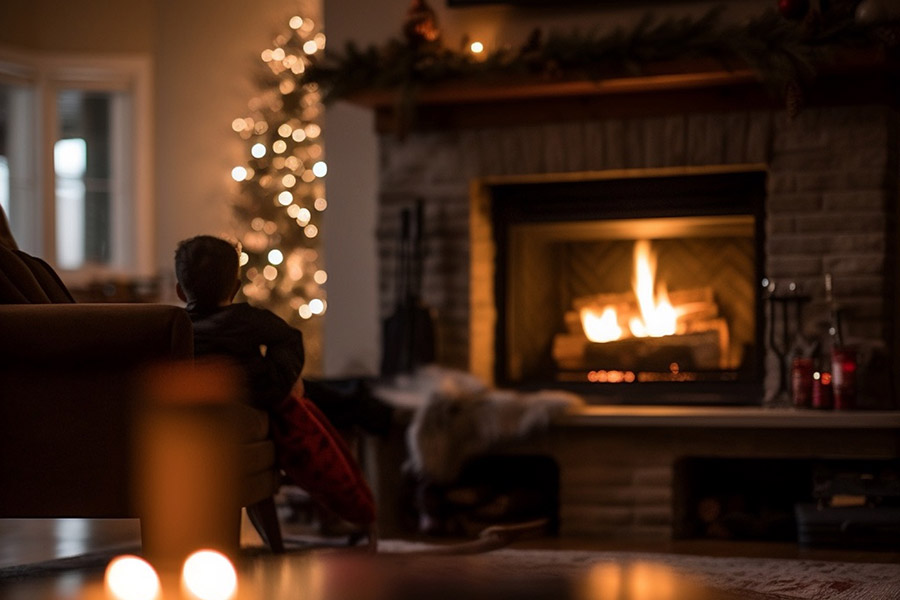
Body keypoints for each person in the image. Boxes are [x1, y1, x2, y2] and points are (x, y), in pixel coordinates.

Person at [174, 234, 385, 539]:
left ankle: (367, 402)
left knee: (337, 393)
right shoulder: (246, 319)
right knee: (340, 397)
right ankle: (377, 411)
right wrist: (280, 381)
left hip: (229, 408)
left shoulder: (178, 326)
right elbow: (289, 339)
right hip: (265, 399)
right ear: (235, 287)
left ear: (180, 291)